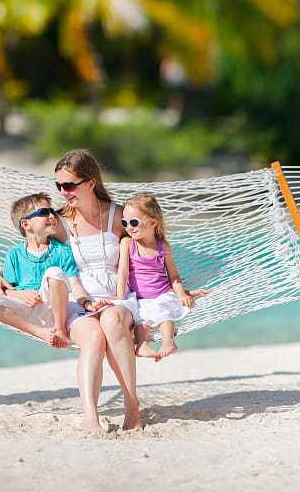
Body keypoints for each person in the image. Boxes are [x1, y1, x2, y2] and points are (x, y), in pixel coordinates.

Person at [52, 149, 143, 432]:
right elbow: (29, 253)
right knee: (92, 337)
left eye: (69, 185)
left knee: (112, 321)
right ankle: (90, 417)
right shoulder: (59, 222)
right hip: (78, 301)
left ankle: (132, 407)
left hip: (117, 298)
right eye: (59, 186)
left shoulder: (119, 216)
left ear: (91, 182)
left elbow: (149, 248)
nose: (63, 192)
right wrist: (0, 277)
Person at [0, 193, 93, 349]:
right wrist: (21, 294)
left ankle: (60, 330)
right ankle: (40, 332)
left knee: (54, 272)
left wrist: (86, 303)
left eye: (52, 211)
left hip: (53, 309)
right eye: (44, 213)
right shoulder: (14, 254)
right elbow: (6, 290)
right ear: (26, 224)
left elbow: (74, 283)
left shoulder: (62, 251)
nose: (52, 216)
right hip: (25, 310)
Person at [116, 193, 206, 361]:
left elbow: (174, 275)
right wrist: (120, 298)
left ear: (152, 222)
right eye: (125, 222)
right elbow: (122, 272)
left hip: (163, 293)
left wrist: (181, 294)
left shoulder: (162, 246)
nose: (129, 227)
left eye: (134, 222)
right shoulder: (127, 244)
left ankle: (168, 342)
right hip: (140, 297)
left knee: (163, 312)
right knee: (140, 320)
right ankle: (142, 345)